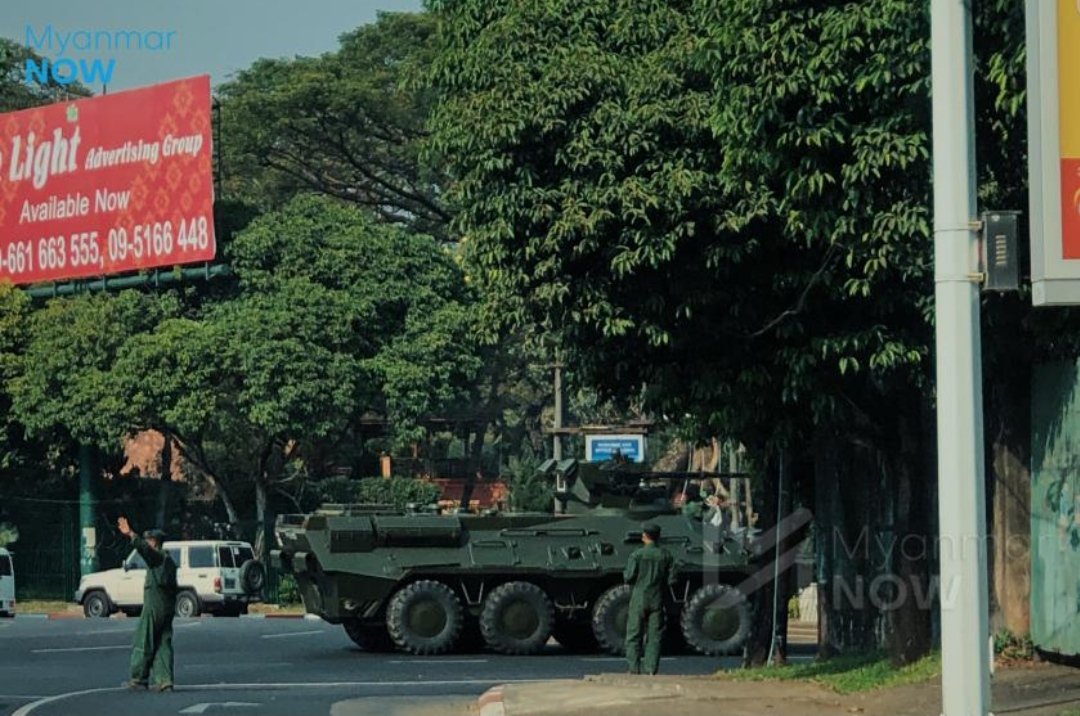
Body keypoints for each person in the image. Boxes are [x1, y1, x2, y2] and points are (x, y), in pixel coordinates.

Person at [117, 517, 177, 692]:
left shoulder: (158, 558)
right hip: (167, 606)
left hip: (154, 604)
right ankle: (165, 680)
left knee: (144, 639)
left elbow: (144, 550)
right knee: (163, 642)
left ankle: (138, 678)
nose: (147, 543)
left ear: (154, 542)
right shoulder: (169, 561)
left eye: (149, 540)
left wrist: (131, 535)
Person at [623, 522, 676, 675]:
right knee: (654, 636)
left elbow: (629, 576)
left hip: (639, 597)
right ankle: (651, 669)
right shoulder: (666, 555)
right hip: (657, 598)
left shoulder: (637, 554)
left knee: (634, 634)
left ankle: (633, 668)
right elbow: (672, 579)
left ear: (644, 536)